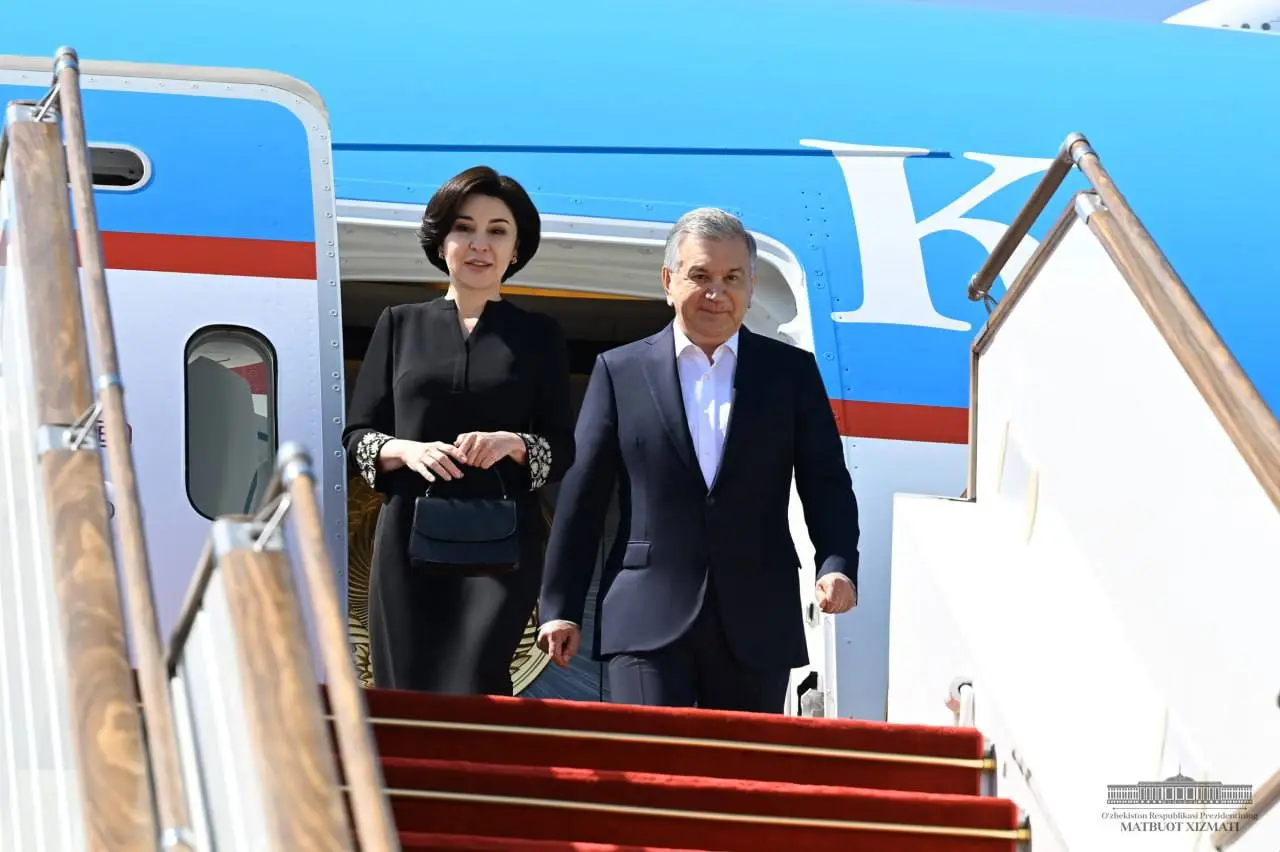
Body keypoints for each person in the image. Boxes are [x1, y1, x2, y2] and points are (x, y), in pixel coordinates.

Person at [537, 207, 859, 714]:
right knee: (650, 756)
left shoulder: (791, 373)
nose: (717, 292)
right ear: (669, 281)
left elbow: (826, 480)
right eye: (701, 276)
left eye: (732, 278)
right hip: (645, 615)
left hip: (756, 614)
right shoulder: (620, 370)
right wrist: (560, 607)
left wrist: (836, 562)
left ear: (751, 286)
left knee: (741, 764)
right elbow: (582, 497)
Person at [342, 165, 575, 695]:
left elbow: (561, 447)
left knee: (478, 682)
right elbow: (357, 436)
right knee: (406, 689)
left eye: (497, 231)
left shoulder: (540, 336)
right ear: (441, 240)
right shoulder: (399, 323)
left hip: (503, 543)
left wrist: (512, 443)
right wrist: (405, 450)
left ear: (516, 249)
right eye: (464, 228)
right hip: (406, 539)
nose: (479, 244)